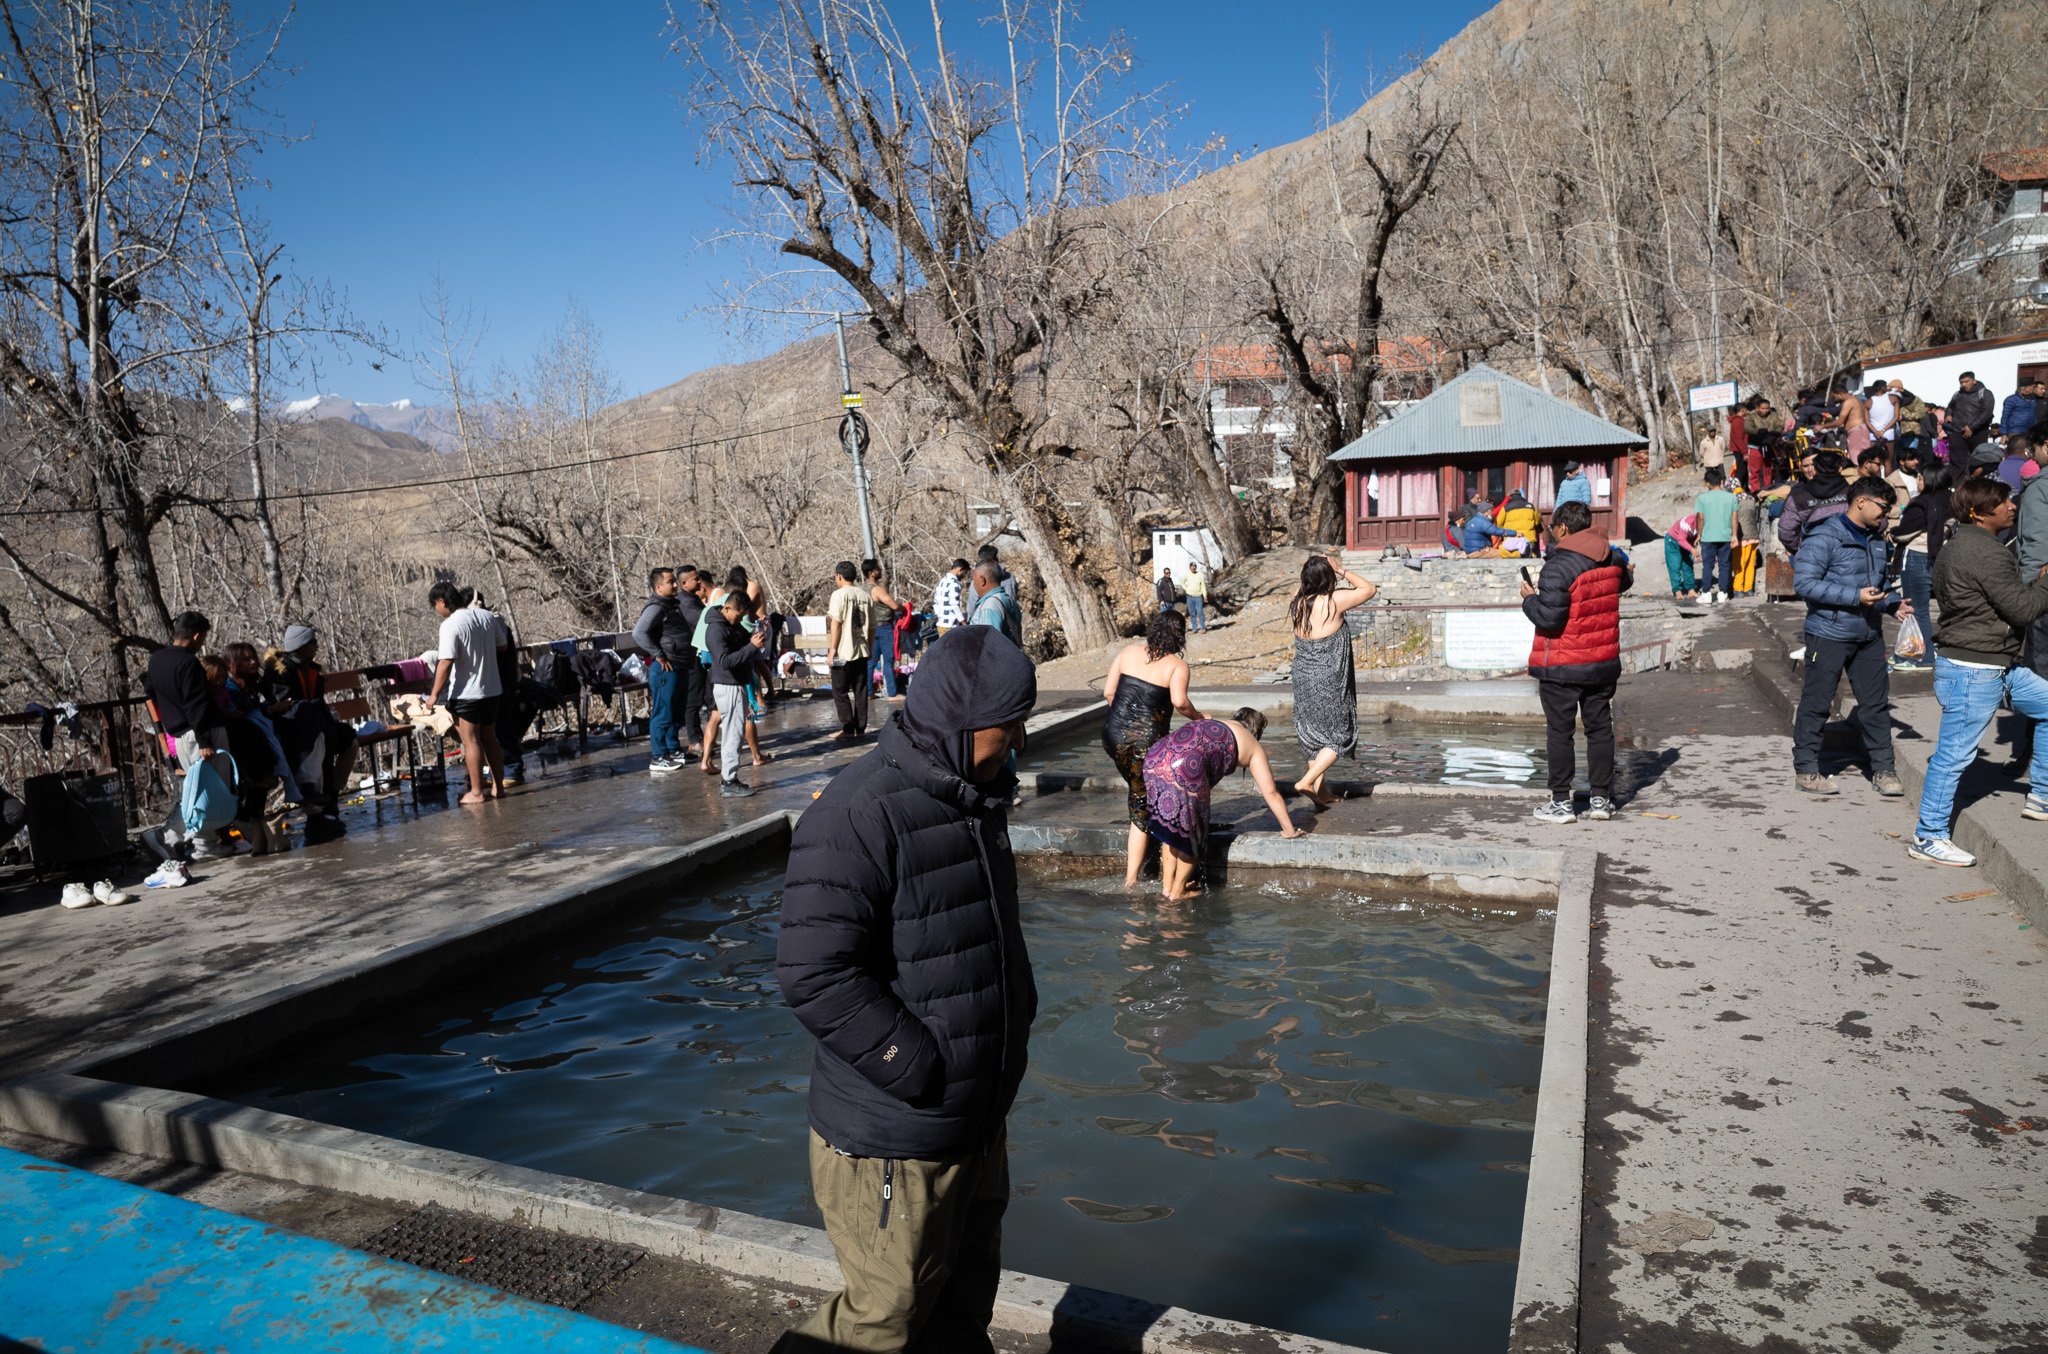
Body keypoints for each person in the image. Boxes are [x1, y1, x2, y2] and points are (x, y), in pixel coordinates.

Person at [773, 626, 1037, 1354]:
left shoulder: (974, 798)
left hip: (975, 1125)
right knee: (880, 1321)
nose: (1016, 742)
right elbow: (812, 972)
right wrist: (917, 1067)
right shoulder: (858, 813)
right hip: (898, 1136)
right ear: (958, 723)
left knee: (962, 1307)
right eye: (1007, 726)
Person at [1907, 477, 2048, 867]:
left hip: (1993, 664)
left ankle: (2041, 794)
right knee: (1953, 756)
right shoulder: (1983, 552)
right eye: (2004, 502)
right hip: (1974, 668)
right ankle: (1928, 835)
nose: (2012, 507)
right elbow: (2021, 609)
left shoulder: (1965, 544)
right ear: (1981, 512)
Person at [1791, 477, 1908, 798]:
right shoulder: (1825, 537)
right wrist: (1854, 596)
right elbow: (1804, 584)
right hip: (1828, 634)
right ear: (1861, 502)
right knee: (1817, 703)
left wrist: (1891, 604)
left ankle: (1884, 769)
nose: (1886, 515)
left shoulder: (1877, 539)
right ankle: (1806, 770)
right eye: (1883, 508)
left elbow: (1875, 587)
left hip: (1868, 635)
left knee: (1875, 705)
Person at [1521, 499, 1633, 823]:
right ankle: (1600, 800)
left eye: (1554, 528)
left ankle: (1560, 803)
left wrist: (1529, 600)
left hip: (1563, 663)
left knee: (1560, 731)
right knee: (1600, 729)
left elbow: (1550, 619)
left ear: (1564, 528)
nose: (1552, 535)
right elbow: (1624, 580)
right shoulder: (1610, 556)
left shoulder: (1558, 566)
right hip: (1602, 661)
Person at [1144, 709, 1302, 902]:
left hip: (1156, 757)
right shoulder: (1252, 745)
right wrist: (1289, 830)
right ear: (1256, 731)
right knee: (1193, 830)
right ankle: (1178, 892)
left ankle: (1167, 888)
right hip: (1186, 766)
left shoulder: (1217, 724)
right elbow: (1271, 792)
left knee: (1171, 826)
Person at [1100, 611, 1202, 888]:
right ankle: (1131, 880)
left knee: (1140, 792)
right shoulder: (1176, 666)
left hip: (1112, 736)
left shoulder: (1128, 652)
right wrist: (1199, 718)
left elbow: (1109, 693)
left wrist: (1124, 724)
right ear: (1179, 636)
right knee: (1141, 806)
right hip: (1146, 744)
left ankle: (1148, 851)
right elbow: (1179, 702)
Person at [143, 611, 239, 862]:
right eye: (203, 637)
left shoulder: (156, 660)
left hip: (178, 735)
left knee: (196, 790)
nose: (201, 643)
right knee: (209, 791)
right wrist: (205, 741)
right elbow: (197, 705)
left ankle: (203, 844)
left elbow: (150, 690)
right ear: (196, 635)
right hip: (201, 734)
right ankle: (172, 836)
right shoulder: (189, 663)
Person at [1289, 554, 1377, 807]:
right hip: (1328, 678)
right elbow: (1368, 589)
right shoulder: (1333, 601)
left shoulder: (1298, 603)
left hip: (1302, 677)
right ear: (1328, 578)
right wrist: (1342, 570)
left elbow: (1305, 586)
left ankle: (1321, 794)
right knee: (1340, 736)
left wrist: (1312, 575)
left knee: (1312, 737)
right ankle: (1306, 781)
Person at [262, 623, 357, 839]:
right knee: (318, 738)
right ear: (301, 645)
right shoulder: (279, 671)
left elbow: (316, 701)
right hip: (290, 728)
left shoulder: (312, 669)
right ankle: (316, 814)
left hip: (314, 722)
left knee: (349, 741)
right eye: (313, 642)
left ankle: (332, 792)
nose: (316, 646)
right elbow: (285, 706)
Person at [422, 582, 512, 806]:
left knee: (471, 742)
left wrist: (433, 696)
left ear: (442, 602)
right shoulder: (486, 616)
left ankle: (476, 792)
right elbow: (502, 646)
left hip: (466, 694)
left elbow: (445, 662)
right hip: (492, 689)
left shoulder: (450, 624)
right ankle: (498, 788)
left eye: (436, 606)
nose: (437, 611)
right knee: (490, 738)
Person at [1893, 465, 1954, 672]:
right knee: (1923, 610)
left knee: (1915, 609)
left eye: (1919, 478)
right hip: (1938, 557)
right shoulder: (1951, 501)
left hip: (1916, 557)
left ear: (1929, 480)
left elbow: (1902, 533)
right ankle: (1908, 652)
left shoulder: (1921, 503)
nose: (1917, 482)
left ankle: (1923, 657)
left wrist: (1890, 532)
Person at [705, 588, 764, 798]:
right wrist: (751, 647)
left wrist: (754, 639)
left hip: (736, 683)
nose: (739, 620)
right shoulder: (715, 630)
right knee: (733, 733)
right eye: (737, 615)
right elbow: (724, 661)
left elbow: (740, 646)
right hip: (727, 685)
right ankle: (728, 780)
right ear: (727, 608)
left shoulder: (733, 625)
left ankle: (730, 778)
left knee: (735, 732)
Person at [632, 567, 691, 775]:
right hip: (666, 666)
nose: (675, 584)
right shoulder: (656, 608)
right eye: (670, 582)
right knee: (662, 712)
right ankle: (658, 756)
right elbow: (639, 633)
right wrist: (658, 654)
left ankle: (673, 749)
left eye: (675, 581)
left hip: (679, 664)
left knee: (675, 711)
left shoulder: (671, 605)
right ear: (658, 587)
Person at [825, 560, 873, 744]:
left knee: (840, 690)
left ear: (839, 576)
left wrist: (832, 650)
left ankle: (847, 727)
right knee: (861, 690)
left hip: (844, 652)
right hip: (861, 649)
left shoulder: (839, 595)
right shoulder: (865, 595)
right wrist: (868, 646)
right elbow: (872, 626)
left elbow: (835, 623)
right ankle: (860, 728)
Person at [1777, 450, 1851, 555]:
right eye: (1806, 466)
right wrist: (1800, 548)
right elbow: (1786, 529)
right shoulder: (1797, 493)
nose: (1810, 469)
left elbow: (1785, 530)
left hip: (1816, 553)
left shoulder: (1851, 489)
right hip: (1843, 552)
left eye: (1813, 464)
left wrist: (1803, 549)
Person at [1694, 468, 1737, 604]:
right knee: (1724, 565)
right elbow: (1734, 518)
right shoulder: (1731, 497)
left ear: (1707, 483)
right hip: (1725, 536)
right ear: (1721, 482)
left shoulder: (1702, 498)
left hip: (1708, 537)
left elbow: (1701, 517)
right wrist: (1734, 535)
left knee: (1708, 565)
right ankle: (1722, 594)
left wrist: (1699, 534)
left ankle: (1706, 594)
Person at [866, 560, 906, 701]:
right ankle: (893, 694)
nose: (880, 570)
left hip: (871, 628)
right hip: (884, 628)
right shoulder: (877, 589)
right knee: (888, 661)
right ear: (871, 573)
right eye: (877, 569)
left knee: (870, 662)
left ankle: (869, 692)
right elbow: (893, 605)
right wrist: (904, 608)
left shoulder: (862, 588)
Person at [967, 562, 1023, 648]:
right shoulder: (1009, 600)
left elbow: (989, 646)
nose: (974, 586)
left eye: (974, 581)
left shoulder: (990, 605)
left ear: (982, 580)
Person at [1947, 371, 1995, 464]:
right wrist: (1948, 414)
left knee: (1979, 459)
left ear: (1974, 381)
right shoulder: (1957, 394)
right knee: (1957, 460)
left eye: (1966, 381)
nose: (1964, 384)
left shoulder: (1985, 393)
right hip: (1958, 431)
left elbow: (1987, 412)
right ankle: (1958, 478)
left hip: (1979, 432)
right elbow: (1950, 406)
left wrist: (1971, 427)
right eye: (1961, 382)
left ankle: (1977, 478)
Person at [1732, 484, 1763, 597]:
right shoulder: (1751, 498)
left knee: (1739, 563)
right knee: (1750, 563)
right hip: (1754, 536)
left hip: (1742, 536)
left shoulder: (1735, 499)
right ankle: (1748, 588)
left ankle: (1738, 589)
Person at [1664, 512, 1700, 601]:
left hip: (1687, 542)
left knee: (1688, 564)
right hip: (1673, 540)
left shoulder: (1705, 523)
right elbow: (1681, 539)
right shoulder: (1688, 523)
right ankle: (1677, 590)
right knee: (1675, 565)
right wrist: (1692, 550)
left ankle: (1690, 589)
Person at [932, 559, 970, 634]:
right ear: (960, 569)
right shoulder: (954, 583)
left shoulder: (943, 581)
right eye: (964, 573)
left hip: (941, 625)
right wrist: (964, 622)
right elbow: (954, 605)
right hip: (950, 626)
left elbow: (935, 602)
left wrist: (940, 616)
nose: (964, 576)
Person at [2000, 376, 2040, 444]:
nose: (2034, 389)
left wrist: (2037, 429)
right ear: (2026, 388)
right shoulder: (2011, 400)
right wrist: (2003, 433)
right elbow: (2005, 417)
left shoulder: (2032, 400)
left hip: (2029, 432)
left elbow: (2033, 415)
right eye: (2033, 387)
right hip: (2015, 432)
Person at [1182, 563, 1208, 632]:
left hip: (1198, 597)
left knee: (1200, 612)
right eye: (1192, 566)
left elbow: (1203, 586)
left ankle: (1202, 627)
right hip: (1189, 597)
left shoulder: (1200, 575)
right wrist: (1186, 588)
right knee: (1192, 613)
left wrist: (1205, 595)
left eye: (1194, 566)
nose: (1193, 568)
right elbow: (1182, 582)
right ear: (1190, 567)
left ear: (1196, 567)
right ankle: (1194, 628)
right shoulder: (1187, 575)